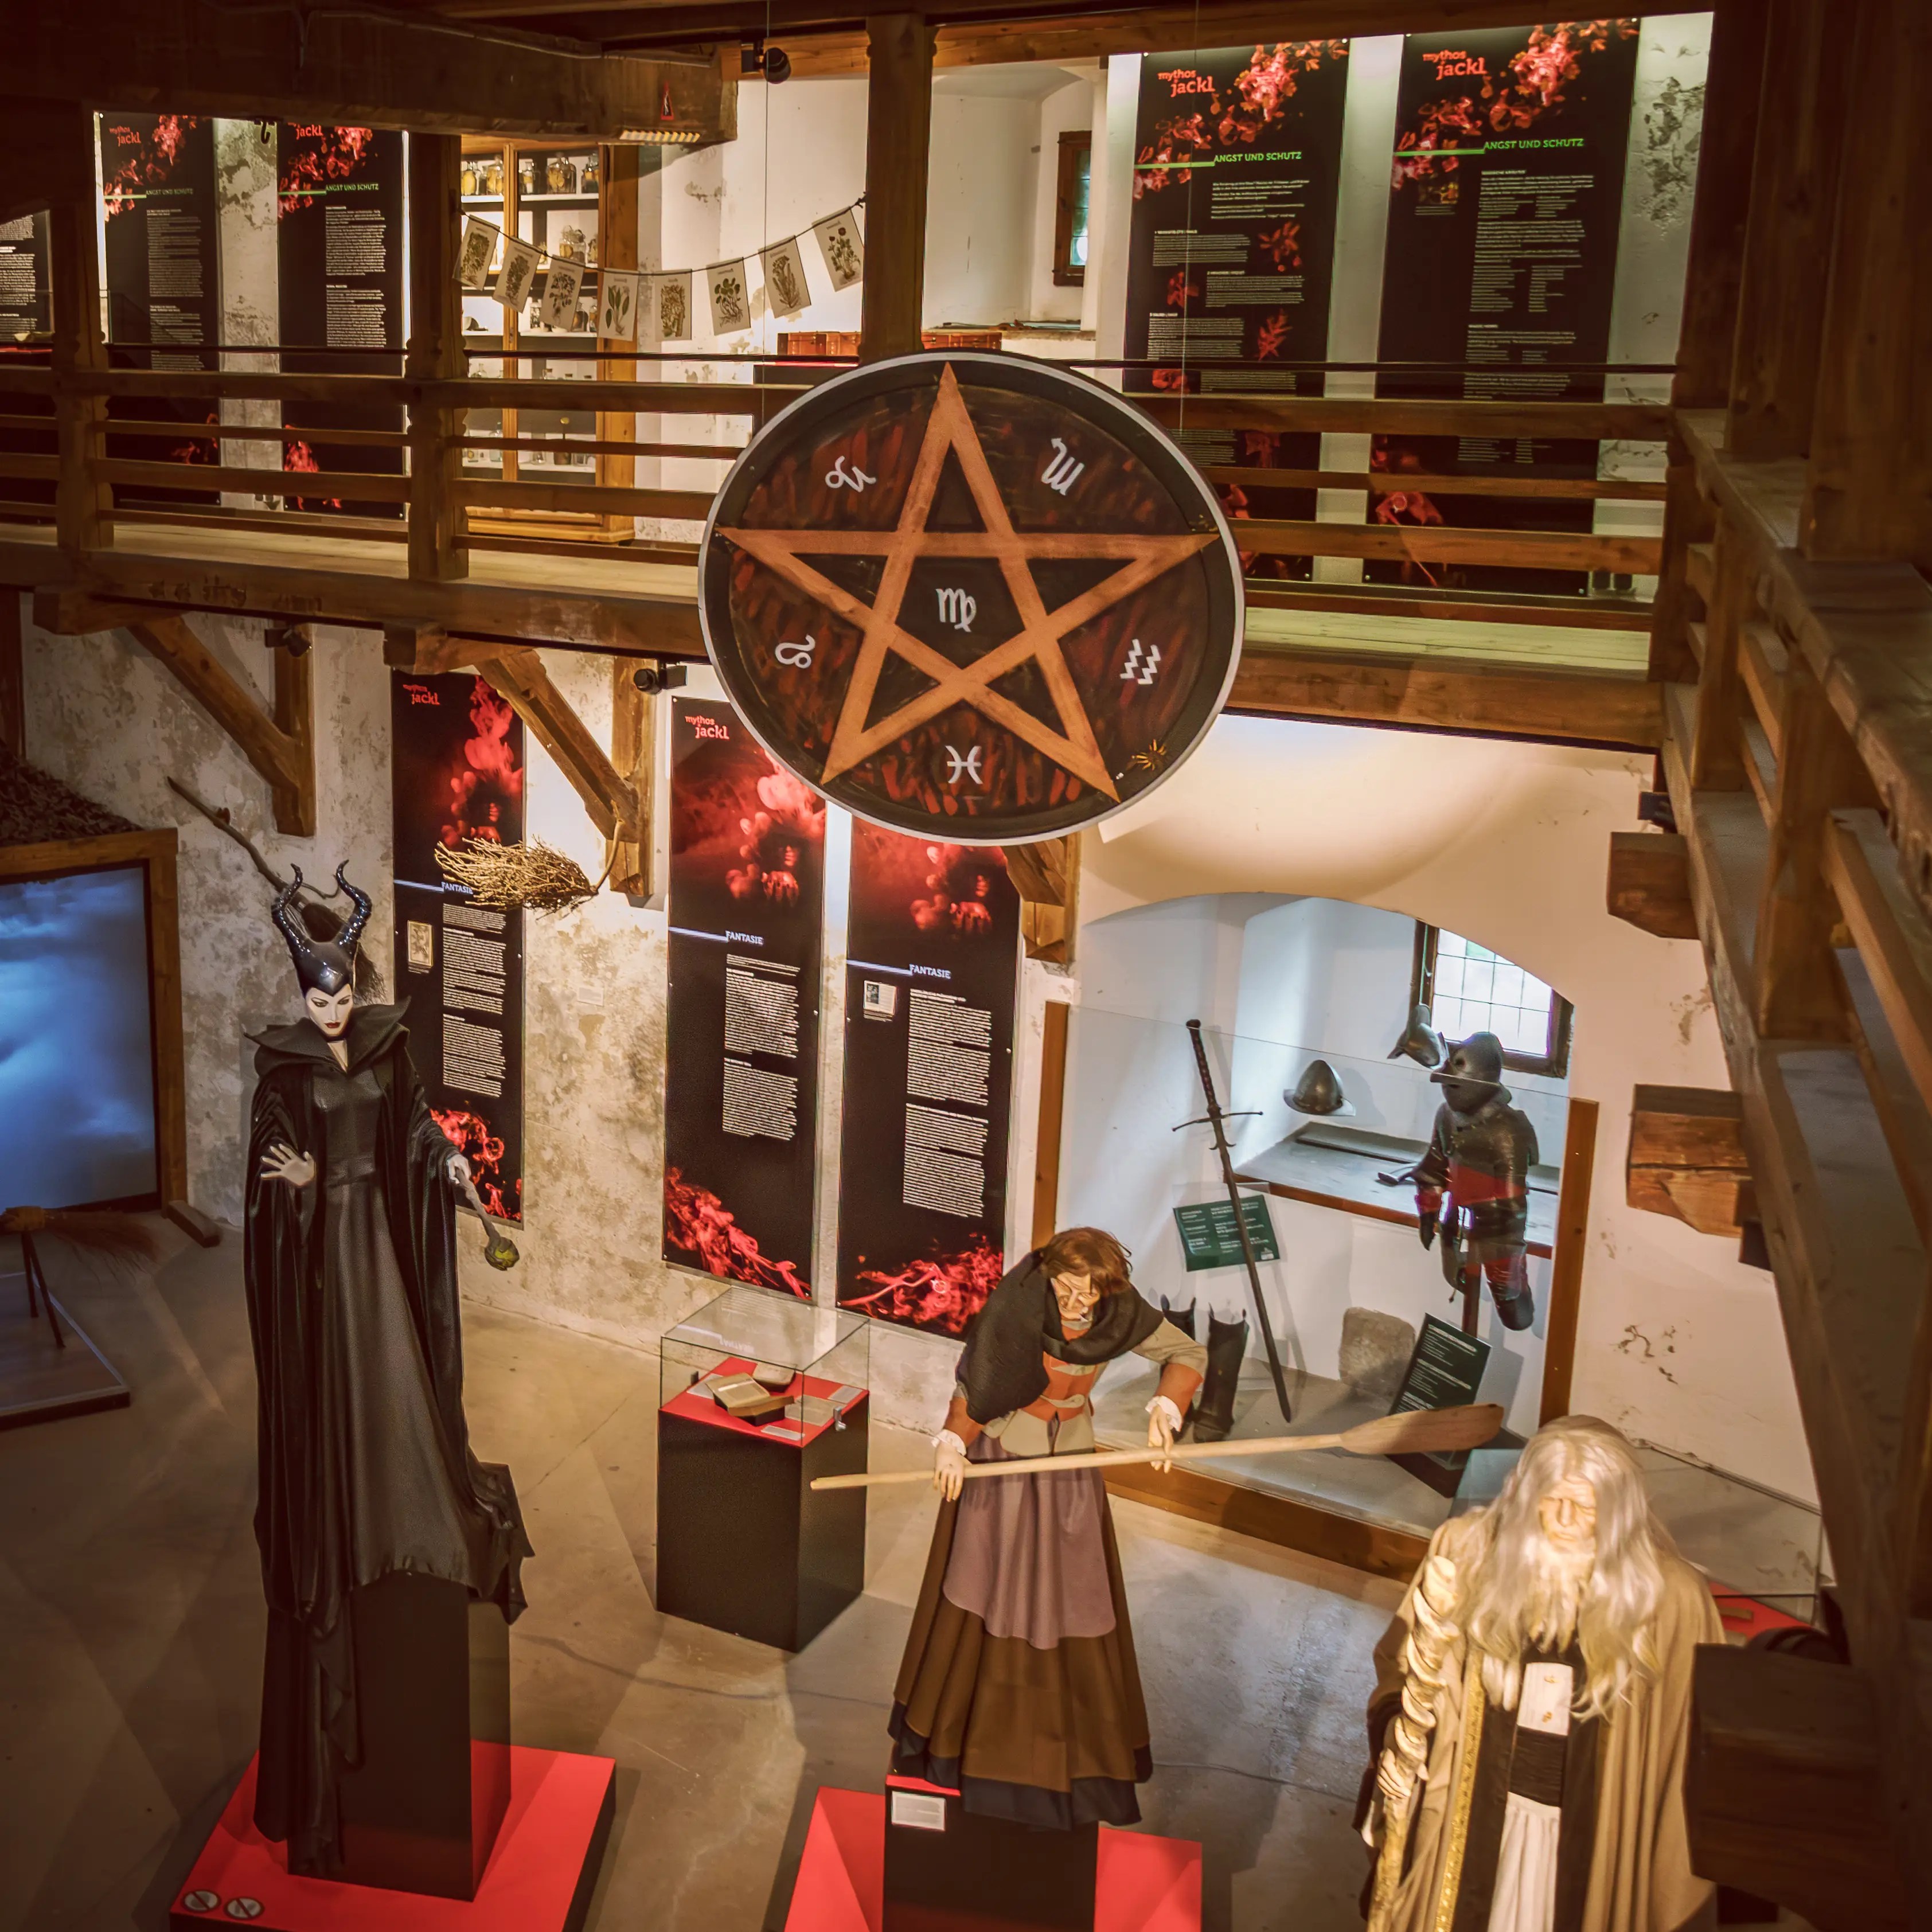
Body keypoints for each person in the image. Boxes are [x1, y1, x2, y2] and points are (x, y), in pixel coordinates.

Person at [244, 867, 530, 1875]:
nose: (329, 1011)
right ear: (300, 991)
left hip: (383, 1245)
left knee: (405, 1382)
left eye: (339, 994)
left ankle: (415, 1505)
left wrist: (441, 1155)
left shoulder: (385, 1044)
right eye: (315, 997)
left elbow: (408, 1118)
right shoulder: (281, 1074)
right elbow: (269, 1181)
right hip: (329, 1262)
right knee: (346, 1389)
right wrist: (302, 1187)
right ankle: (354, 1509)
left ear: (355, 984)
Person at [889, 1227, 1207, 1829]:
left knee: (1072, 1597)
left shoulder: (1116, 1311)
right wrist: (954, 1441)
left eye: (1089, 1296)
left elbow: (1186, 1354)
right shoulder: (1017, 1305)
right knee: (986, 1587)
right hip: (1006, 1463)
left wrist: (1168, 1407)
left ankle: (1065, 1743)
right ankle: (970, 1733)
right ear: (1049, 1276)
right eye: (1066, 1291)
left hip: (1071, 1469)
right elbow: (976, 1382)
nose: (1077, 1307)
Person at [1359, 1415, 1723, 1932]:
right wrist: (1403, 1733)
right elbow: (1405, 1664)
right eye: (1550, 1499)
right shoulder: (1467, 1553)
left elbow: (1684, 1750)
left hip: (1593, 1829)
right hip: (1475, 1814)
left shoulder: (1669, 1598)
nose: (1565, 1518)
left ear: (1618, 1513)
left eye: (1587, 1506)